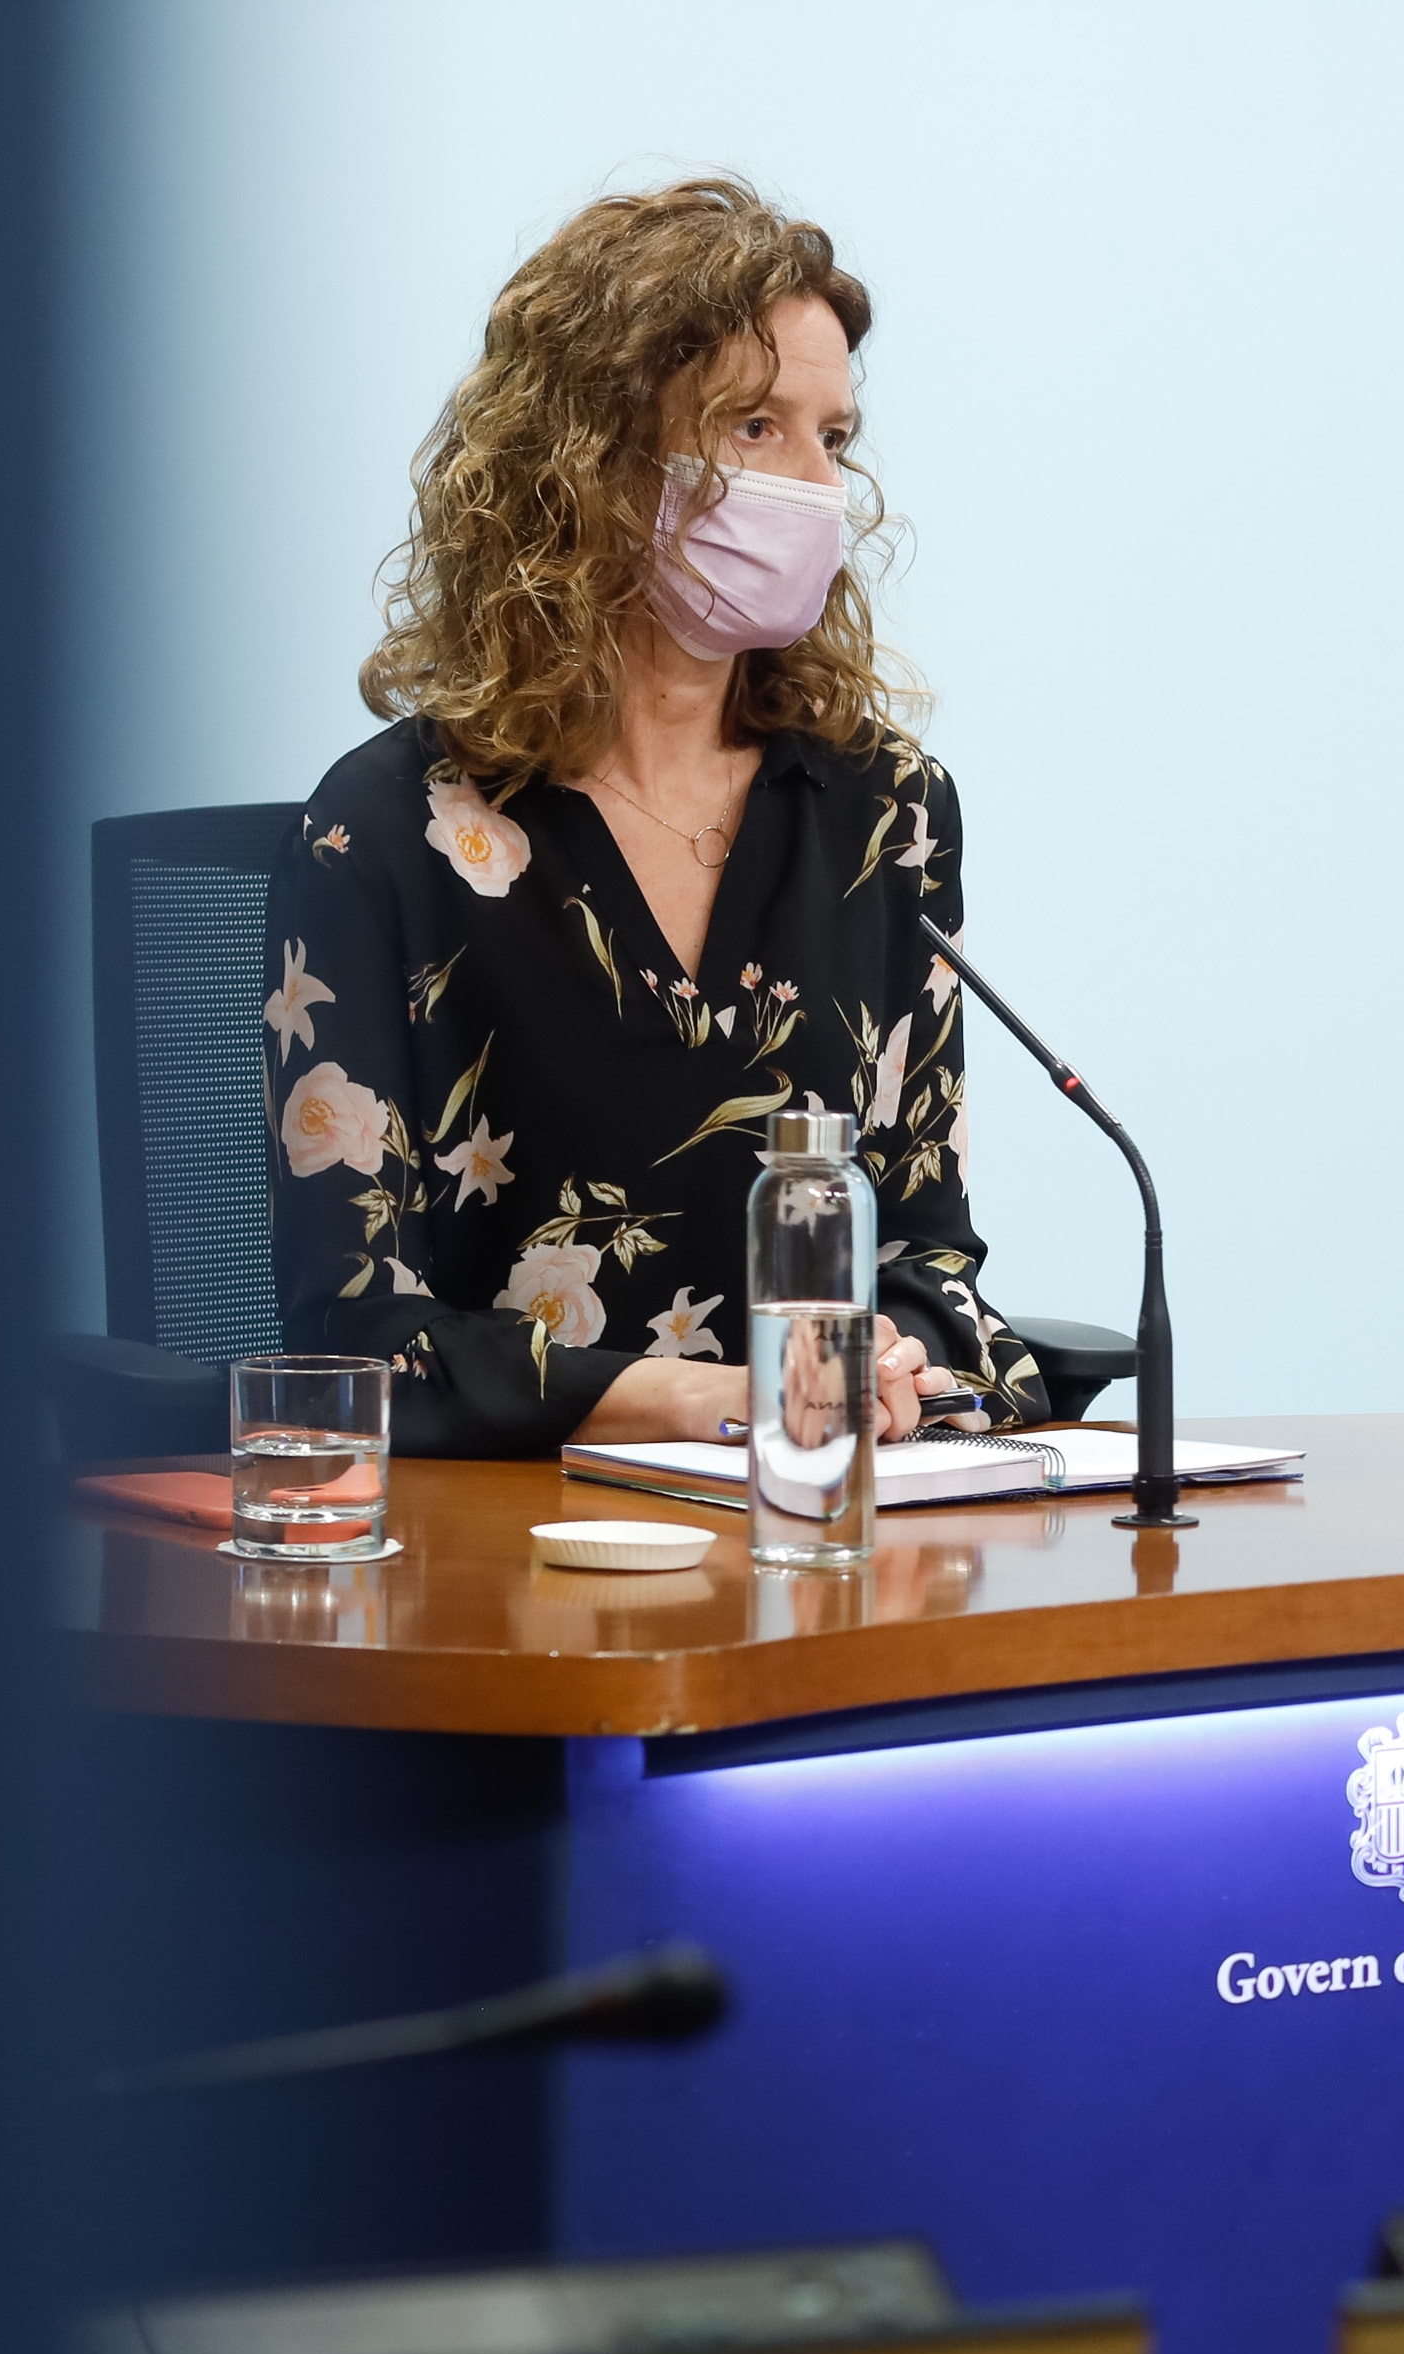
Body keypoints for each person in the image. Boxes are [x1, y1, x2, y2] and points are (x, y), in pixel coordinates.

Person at [264, 177, 1052, 1456]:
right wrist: (698, 1396)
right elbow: (354, 1333)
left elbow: (925, 1240)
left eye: (833, 437)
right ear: (591, 455)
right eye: (756, 426)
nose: (820, 487)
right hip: (513, 1558)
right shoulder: (384, 830)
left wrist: (895, 1352)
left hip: (811, 1525)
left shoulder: (884, 809)